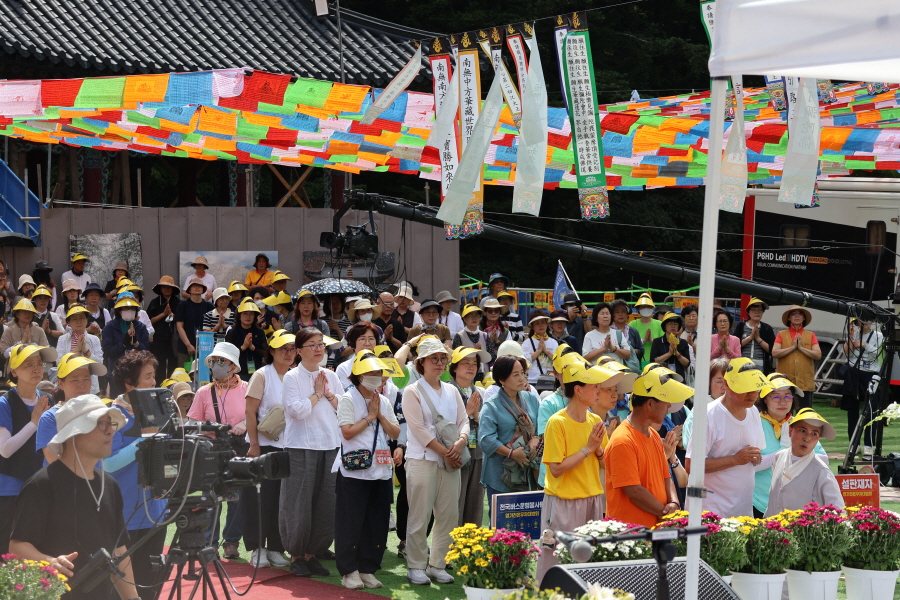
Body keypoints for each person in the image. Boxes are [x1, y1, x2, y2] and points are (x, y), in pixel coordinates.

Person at [9, 394, 140, 600]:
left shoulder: (110, 485)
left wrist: (133, 598)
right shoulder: (42, 484)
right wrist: (49, 561)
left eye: (110, 423)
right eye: (99, 424)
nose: (110, 430)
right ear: (74, 434)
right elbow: (17, 546)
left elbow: (118, 551)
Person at [536, 361, 623, 580]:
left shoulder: (595, 420)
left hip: (592, 501)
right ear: (578, 390)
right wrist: (588, 449)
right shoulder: (557, 422)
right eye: (594, 387)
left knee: (588, 563)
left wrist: (598, 451)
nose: (598, 391)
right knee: (556, 561)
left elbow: (606, 463)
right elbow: (555, 469)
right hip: (563, 502)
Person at [401, 336, 468, 585]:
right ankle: (416, 565)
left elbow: (464, 420)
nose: (439, 363)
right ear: (422, 363)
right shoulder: (412, 390)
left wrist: (460, 442)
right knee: (419, 514)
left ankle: (438, 564)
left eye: (442, 359)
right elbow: (417, 430)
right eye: (434, 359)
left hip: (451, 459)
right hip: (423, 459)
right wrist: (447, 451)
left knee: (449, 515)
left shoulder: (452, 389)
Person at [334, 352, 401, 589]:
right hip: (354, 470)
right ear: (359, 374)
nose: (376, 377)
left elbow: (395, 433)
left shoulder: (382, 400)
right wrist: (370, 417)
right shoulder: (348, 398)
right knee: (350, 520)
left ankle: (368, 568)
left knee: (377, 520)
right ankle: (349, 570)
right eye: (371, 372)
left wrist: (379, 414)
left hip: (381, 470)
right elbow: (348, 432)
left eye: (379, 372)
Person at [105, 351, 168, 600]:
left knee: (151, 585)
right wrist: (144, 441)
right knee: (122, 588)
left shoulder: (160, 409)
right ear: (130, 383)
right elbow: (108, 463)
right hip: (124, 515)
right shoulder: (111, 415)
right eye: (148, 377)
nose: (154, 383)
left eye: (154, 376)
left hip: (156, 512)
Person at [280, 327, 343, 578]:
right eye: (313, 345)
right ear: (299, 351)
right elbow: (297, 411)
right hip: (300, 446)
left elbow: (343, 407)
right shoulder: (292, 377)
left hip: (330, 444)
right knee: (298, 503)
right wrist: (317, 393)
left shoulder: (331, 375)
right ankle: (296, 556)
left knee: (326, 503)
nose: (319, 350)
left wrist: (326, 392)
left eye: (321, 345)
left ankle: (312, 554)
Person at [605, 368, 691, 527]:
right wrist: (666, 513)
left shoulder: (654, 436)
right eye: (666, 401)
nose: (669, 406)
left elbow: (666, 476)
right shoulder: (622, 440)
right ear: (650, 404)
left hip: (655, 531)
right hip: (630, 536)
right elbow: (633, 490)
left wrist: (674, 503)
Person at [187, 342, 249, 559]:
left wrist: (245, 424)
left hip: (239, 448)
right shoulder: (204, 392)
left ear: (233, 365)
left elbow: (258, 416)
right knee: (210, 498)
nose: (216, 365)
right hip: (212, 451)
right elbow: (192, 423)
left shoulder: (247, 389)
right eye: (214, 361)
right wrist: (210, 431)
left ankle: (232, 542)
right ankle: (208, 542)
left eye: (221, 361)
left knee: (237, 498)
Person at [685, 358, 768, 518]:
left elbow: (755, 458)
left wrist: (756, 457)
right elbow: (691, 465)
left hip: (742, 509)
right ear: (727, 385)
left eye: (756, 389)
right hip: (710, 511)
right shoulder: (708, 415)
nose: (753, 395)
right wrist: (736, 459)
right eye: (746, 388)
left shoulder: (753, 412)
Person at [242, 330, 294, 569]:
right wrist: (254, 444)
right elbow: (250, 412)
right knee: (259, 499)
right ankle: (256, 549)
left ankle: (275, 547)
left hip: (287, 447)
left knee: (281, 501)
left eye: (292, 348)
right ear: (271, 351)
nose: (288, 353)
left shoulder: (295, 376)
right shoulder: (262, 375)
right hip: (262, 446)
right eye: (283, 348)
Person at [0, 344, 56, 545]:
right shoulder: (4, 403)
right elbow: (5, 450)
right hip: (10, 489)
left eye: (39, 364)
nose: (36, 369)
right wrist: (34, 422)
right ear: (14, 370)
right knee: (8, 552)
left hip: (41, 486)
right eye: (28, 364)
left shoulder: (48, 398)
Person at [753, 373, 826, 518]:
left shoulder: (800, 424)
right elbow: (750, 465)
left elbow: (823, 459)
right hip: (757, 501)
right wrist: (785, 452)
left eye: (787, 396)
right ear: (765, 399)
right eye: (776, 396)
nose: (782, 402)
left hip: (794, 501)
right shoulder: (754, 423)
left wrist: (794, 455)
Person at [478, 355, 540, 504]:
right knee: (502, 525)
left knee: (528, 521)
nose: (522, 378)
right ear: (502, 379)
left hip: (528, 471)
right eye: (515, 374)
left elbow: (540, 428)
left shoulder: (530, 398)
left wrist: (534, 441)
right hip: (501, 474)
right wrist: (511, 453)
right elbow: (486, 439)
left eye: (523, 373)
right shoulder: (491, 406)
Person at [763, 408, 844, 516]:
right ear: (790, 431)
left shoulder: (821, 472)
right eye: (802, 431)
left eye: (814, 434)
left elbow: (839, 513)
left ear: (818, 438)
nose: (807, 438)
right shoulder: (779, 457)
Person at [37, 352, 105, 464]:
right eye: (75, 380)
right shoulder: (50, 418)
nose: (81, 385)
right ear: (61, 383)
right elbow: (55, 462)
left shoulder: (101, 414)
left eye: (86, 379)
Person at [449, 346, 490, 528]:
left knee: (475, 503)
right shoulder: (447, 391)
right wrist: (467, 413)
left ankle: (472, 548)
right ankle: (453, 549)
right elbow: (445, 426)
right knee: (455, 503)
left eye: (474, 364)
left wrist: (475, 416)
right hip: (455, 453)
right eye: (466, 363)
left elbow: (488, 426)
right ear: (454, 367)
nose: (471, 367)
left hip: (478, 453)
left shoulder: (480, 392)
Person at [841, 317, 884, 455]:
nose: (866, 322)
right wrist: (850, 336)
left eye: (868, 320)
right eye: (862, 320)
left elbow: (878, 354)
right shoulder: (855, 334)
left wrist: (863, 344)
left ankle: (869, 445)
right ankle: (854, 443)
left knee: (871, 409)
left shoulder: (878, 335)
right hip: (854, 373)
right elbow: (847, 353)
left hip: (870, 374)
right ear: (857, 323)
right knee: (852, 409)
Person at [771, 305, 822, 409]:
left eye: (800, 313)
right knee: (785, 412)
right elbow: (775, 353)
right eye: (793, 314)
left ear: (804, 318)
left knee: (804, 414)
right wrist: (793, 347)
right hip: (785, 382)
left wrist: (802, 348)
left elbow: (818, 355)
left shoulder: (811, 335)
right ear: (789, 318)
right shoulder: (781, 334)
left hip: (805, 383)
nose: (797, 316)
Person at [102, 296, 150, 395]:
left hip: (137, 373)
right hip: (117, 373)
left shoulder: (141, 327)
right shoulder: (110, 327)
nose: (129, 311)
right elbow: (108, 351)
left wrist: (136, 343)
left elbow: (146, 351)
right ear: (119, 310)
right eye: (126, 308)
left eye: (132, 308)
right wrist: (124, 343)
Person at [56, 306, 104, 394]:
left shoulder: (94, 339)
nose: (79, 321)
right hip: (70, 384)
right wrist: (76, 350)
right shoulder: (62, 339)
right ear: (69, 322)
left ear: (87, 320)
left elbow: (100, 363)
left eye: (82, 318)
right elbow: (59, 362)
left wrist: (86, 351)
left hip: (90, 386)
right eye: (74, 319)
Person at [224, 298, 268, 381]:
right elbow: (227, 355)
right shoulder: (232, 332)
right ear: (239, 316)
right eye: (245, 313)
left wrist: (253, 348)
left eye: (251, 314)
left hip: (257, 371)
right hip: (237, 372)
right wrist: (243, 347)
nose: (248, 316)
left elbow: (266, 353)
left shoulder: (259, 332)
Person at [174, 277, 213, 367]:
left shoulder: (209, 306)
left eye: (199, 286)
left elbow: (212, 327)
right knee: (184, 375)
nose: (197, 287)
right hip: (185, 347)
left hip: (205, 347)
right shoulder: (182, 305)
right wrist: (188, 345)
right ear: (189, 289)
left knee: (204, 376)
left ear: (203, 289)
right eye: (194, 286)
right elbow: (179, 327)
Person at [147, 276, 180, 379]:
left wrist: (171, 314)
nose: (166, 289)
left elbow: (181, 320)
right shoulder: (155, 302)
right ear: (160, 288)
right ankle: (159, 388)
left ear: (173, 289)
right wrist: (164, 314)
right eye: (164, 287)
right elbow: (150, 320)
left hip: (173, 337)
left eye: (169, 287)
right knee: (158, 363)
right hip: (158, 337)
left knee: (173, 363)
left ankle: (172, 386)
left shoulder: (178, 302)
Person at [733, 297, 776, 373]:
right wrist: (750, 338)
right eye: (754, 310)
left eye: (759, 310)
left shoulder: (767, 328)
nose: (757, 312)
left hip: (760, 364)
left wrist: (758, 338)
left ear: (762, 312)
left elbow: (772, 350)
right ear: (748, 312)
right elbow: (734, 345)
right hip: (742, 363)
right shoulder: (741, 325)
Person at [336, 322, 380, 390]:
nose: (367, 343)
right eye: (362, 339)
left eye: (371, 339)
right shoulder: (343, 368)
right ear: (353, 343)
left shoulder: (382, 365)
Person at [521, 311, 559, 388]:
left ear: (546, 324)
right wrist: (539, 351)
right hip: (532, 380)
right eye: (537, 323)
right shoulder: (527, 342)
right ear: (532, 326)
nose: (540, 325)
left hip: (549, 380)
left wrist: (546, 351)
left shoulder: (553, 342)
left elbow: (558, 360)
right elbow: (524, 361)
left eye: (543, 322)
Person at [651, 312, 691, 380]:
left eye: (675, 324)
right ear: (664, 326)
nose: (673, 326)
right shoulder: (657, 342)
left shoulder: (683, 342)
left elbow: (687, 364)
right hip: (661, 378)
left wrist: (677, 353)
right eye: (670, 324)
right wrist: (669, 353)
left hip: (679, 379)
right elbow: (653, 361)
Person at [630, 293, 663, 369]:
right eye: (643, 306)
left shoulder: (660, 324)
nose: (646, 308)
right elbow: (629, 345)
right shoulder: (632, 324)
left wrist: (652, 340)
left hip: (656, 362)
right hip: (637, 362)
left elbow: (663, 344)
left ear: (652, 308)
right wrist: (643, 340)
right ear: (638, 309)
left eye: (648, 306)